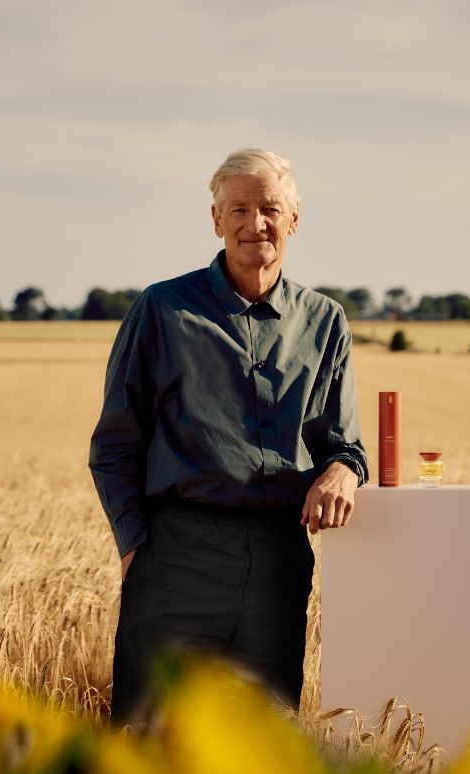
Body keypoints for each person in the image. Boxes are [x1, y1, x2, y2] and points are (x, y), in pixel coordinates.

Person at [89, 148, 369, 723]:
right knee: (153, 737)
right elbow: (116, 442)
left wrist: (344, 470)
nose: (255, 223)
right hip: (177, 551)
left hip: (279, 559)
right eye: (238, 209)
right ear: (215, 220)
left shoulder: (325, 321)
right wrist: (135, 548)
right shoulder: (163, 309)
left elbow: (342, 444)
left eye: (270, 208)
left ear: (294, 219)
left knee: (260, 746)